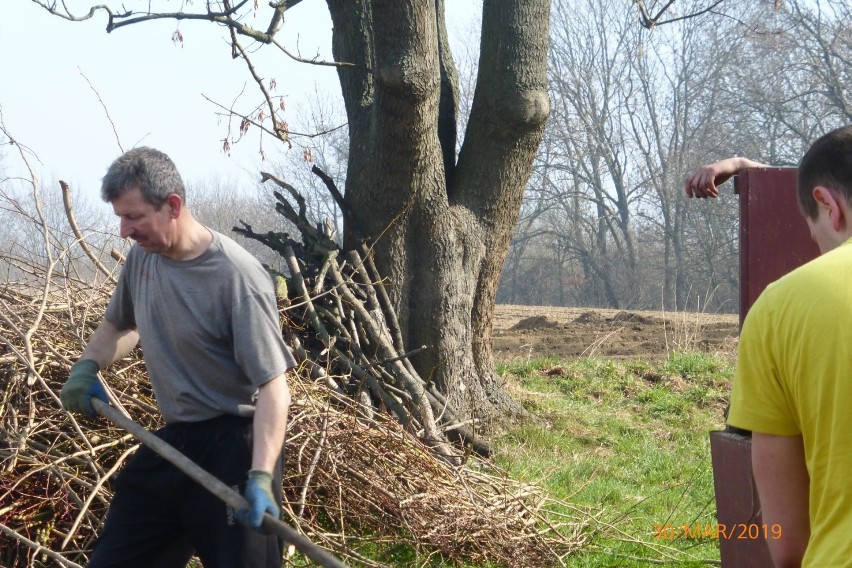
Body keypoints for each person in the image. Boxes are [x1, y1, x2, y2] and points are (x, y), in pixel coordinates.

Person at [60, 147, 296, 568]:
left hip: (235, 451)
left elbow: (274, 386)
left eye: (133, 217)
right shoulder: (144, 258)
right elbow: (120, 325)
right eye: (120, 217)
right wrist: (88, 366)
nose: (124, 231)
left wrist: (260, 475)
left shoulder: (236, 279)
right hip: (176, 444)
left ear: (172, 205)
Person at [686, 126, 852, 566]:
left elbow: (788, 543)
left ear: (828, 208)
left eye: (815, 237)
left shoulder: (781, 307)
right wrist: (744, 167)